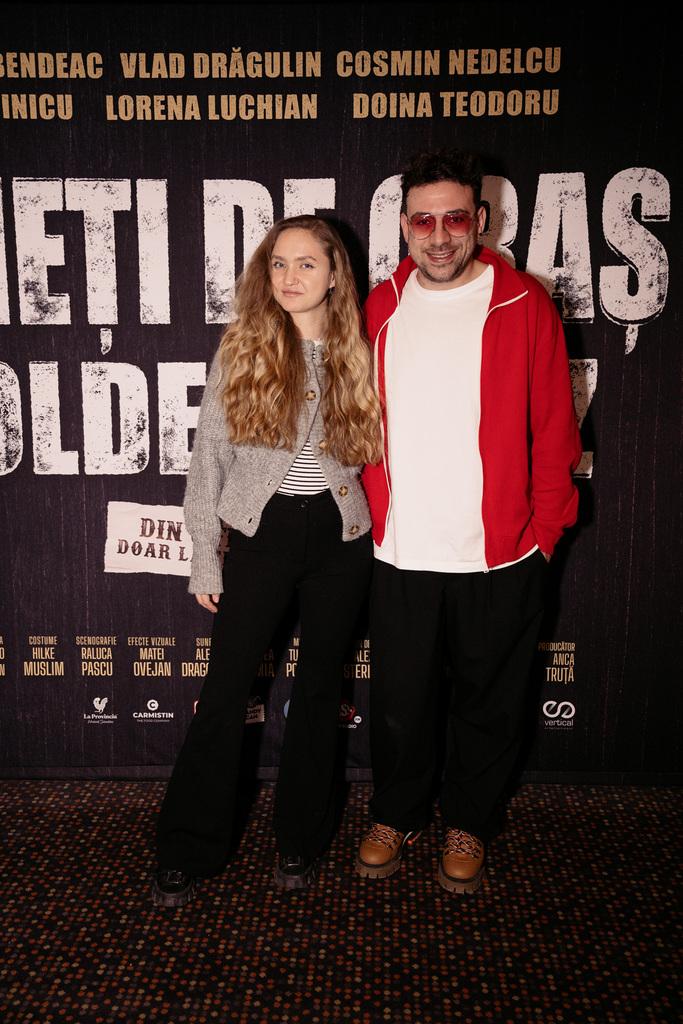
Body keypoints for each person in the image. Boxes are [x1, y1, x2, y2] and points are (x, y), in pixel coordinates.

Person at [356, 148, 582, 894]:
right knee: (400, 702)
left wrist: (543, 536)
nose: (440, 235)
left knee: (490, 701)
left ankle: (469, 821)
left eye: (455, 218)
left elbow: (555, 430)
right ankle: (396, 812)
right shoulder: (380, 306)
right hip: (400, 552)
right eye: (424, 221)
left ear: (481, 220)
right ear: (403, 225)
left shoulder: (524, 304)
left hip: (501, 554)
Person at [152, 215, 382, 907]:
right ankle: (187, 846)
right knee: (226, 691)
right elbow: (208, 459)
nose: (289, 276)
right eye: (279, 263)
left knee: (318, 693)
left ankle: (299, 840)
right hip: (263, 533)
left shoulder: (361, 349)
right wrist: (204, 555)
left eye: (307, 263)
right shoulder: (244, 344)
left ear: (335, 274)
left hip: (342, 537)